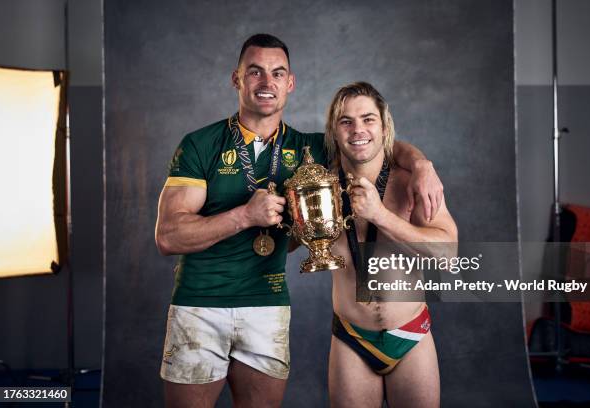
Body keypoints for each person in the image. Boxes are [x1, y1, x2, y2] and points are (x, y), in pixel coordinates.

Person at [155, 34, 444, 408]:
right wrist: (244, 215)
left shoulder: (313, 149)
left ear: (290, 83)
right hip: (200, 303)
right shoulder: (200, 144)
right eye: (255, 72)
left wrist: (421, 164)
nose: (266, 82)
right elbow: (168, 236)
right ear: (236, 78)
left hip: (267, 303)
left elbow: (370, 142)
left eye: (277, 73)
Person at [324, 82, 458, 408]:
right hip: (352, 336)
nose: (358, 130)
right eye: (346, 121)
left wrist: (380, 216)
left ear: (384, 127)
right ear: (334, 130)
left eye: (368, 119)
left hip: (410, 333)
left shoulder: (411, 181)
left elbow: (448, 255)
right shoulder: (320, 187)